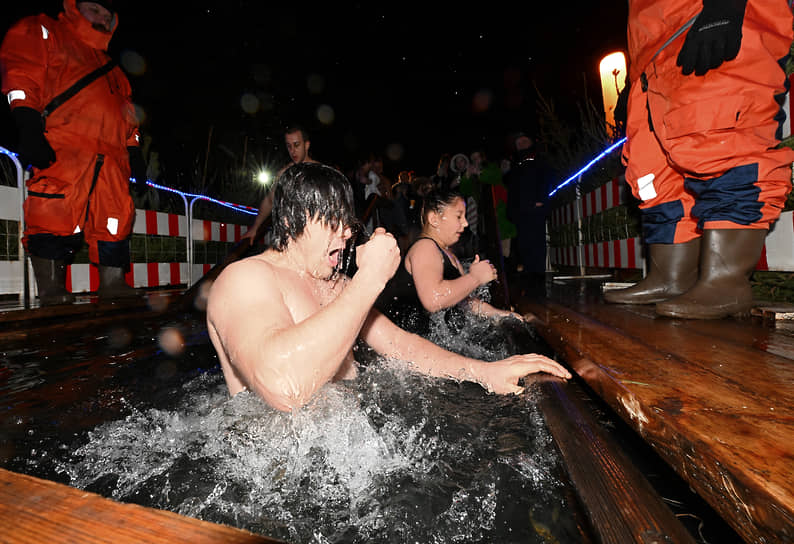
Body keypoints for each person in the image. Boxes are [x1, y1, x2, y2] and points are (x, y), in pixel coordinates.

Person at [206, 163, 570, 412]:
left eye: (346, 222)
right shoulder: (244, 278)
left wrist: (484, 372)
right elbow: (283, 389)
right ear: (291, 220)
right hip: (278, 485)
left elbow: (400, 345)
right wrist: (369, 279)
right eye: (332, 222)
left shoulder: (333, 286)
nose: (347, 234)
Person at [605, 0, 794, 319]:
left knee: (722, 139)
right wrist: (634, 77)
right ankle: (671, 276)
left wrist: (726, 5)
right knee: (653, 172)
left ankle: (726, 281)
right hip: (652, 48)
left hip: (706, 15)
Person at [0, 0, 145, 305]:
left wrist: (134, 152)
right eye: (96, 9)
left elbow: (128, 114)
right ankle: (52, 288)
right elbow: (22, 72)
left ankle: (113, 283)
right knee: (55, 210)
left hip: (113, 156)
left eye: (109, 15)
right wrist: (27, 122)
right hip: (64, 143)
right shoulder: (44, 31)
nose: (102, 19)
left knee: (115, 217)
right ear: (75, 6)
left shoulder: (114, 69)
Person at [376, 188, 522, 337]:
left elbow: (464, 303)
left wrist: (502, 315)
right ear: (434, 219)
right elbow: (434, 300)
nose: (465, 223)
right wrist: (474, 278)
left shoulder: (448, 254)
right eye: (459, 216)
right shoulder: (424, 248)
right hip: (408, 346)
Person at [241, 125, 317, 245]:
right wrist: (255, 228)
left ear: (306, 145)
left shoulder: (319, 172)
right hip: (291, 240)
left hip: (315, 238)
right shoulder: (284, 173)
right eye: (289, 146)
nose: (292, 151)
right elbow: (269, 201)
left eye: (296, 145)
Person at [506, 133, 551, 294]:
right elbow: (512, 189)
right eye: (519, 142)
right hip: (520, 209)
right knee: (523, 241)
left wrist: (541, 200)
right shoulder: (515, 164)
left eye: (525, 140)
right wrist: (511, 210)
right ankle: (529, 271)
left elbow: (546, 180)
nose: (522, 144)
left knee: (537, 240)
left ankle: (538, 273)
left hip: (536, 207)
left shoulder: (539, 160)